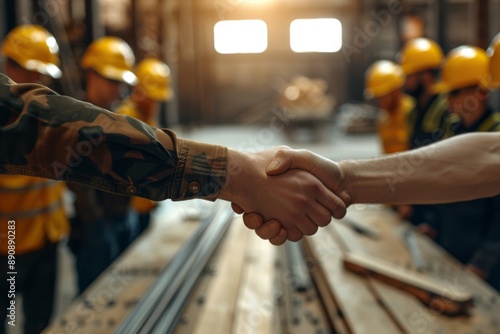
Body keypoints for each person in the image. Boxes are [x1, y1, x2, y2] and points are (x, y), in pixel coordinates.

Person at [0, 72, 347, 247]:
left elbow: (30, 120)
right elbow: (42, 126)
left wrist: (234, 172)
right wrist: (236, 174)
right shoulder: (122, 114)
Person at [0, 24, 69, 334]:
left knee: (41, 322)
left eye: (44, 75)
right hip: (8, 246)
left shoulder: (45, 113)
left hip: (47, 236)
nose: (41, 82)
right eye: (35, 73)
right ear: (9, 66)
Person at [67, 36, 142, 293]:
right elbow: (76, 179)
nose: (118, 88)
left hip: (123, 215)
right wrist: (97, 224)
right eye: (112, 80)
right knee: (92, 296)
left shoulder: (120, 115)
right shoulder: (75, 117)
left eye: (121, 82)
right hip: (94, 227)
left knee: (119, 293)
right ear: (91, 73)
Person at [426, 45, 500, 289]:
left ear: (480, 92)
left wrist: (484, 260)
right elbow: (440, 183)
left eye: (455, 92)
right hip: (452, 241)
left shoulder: (495, 135)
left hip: (483, 259)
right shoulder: (453, 131)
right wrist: (432, 222)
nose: (448, 101)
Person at [396, 37, 451, 225]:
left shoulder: (446, 109)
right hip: (418, 202)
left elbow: (445, 169)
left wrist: (433, 219)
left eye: (409, 76)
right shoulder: (414, 110)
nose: (405, 82)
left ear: (425, 75)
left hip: (437, 211)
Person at [115, 58, 173, 235]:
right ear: (139, 91)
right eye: (152, 97)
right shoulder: (125, 117)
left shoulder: (146, 116)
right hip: (129, 206)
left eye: (158, 99)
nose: (155, 103)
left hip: (144, 201)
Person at [364, 60, 413, 154]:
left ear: (396, 90)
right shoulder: (383, 119)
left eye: (383, 97)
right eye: (377, 98)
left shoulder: (412, 112)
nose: (380, 103)